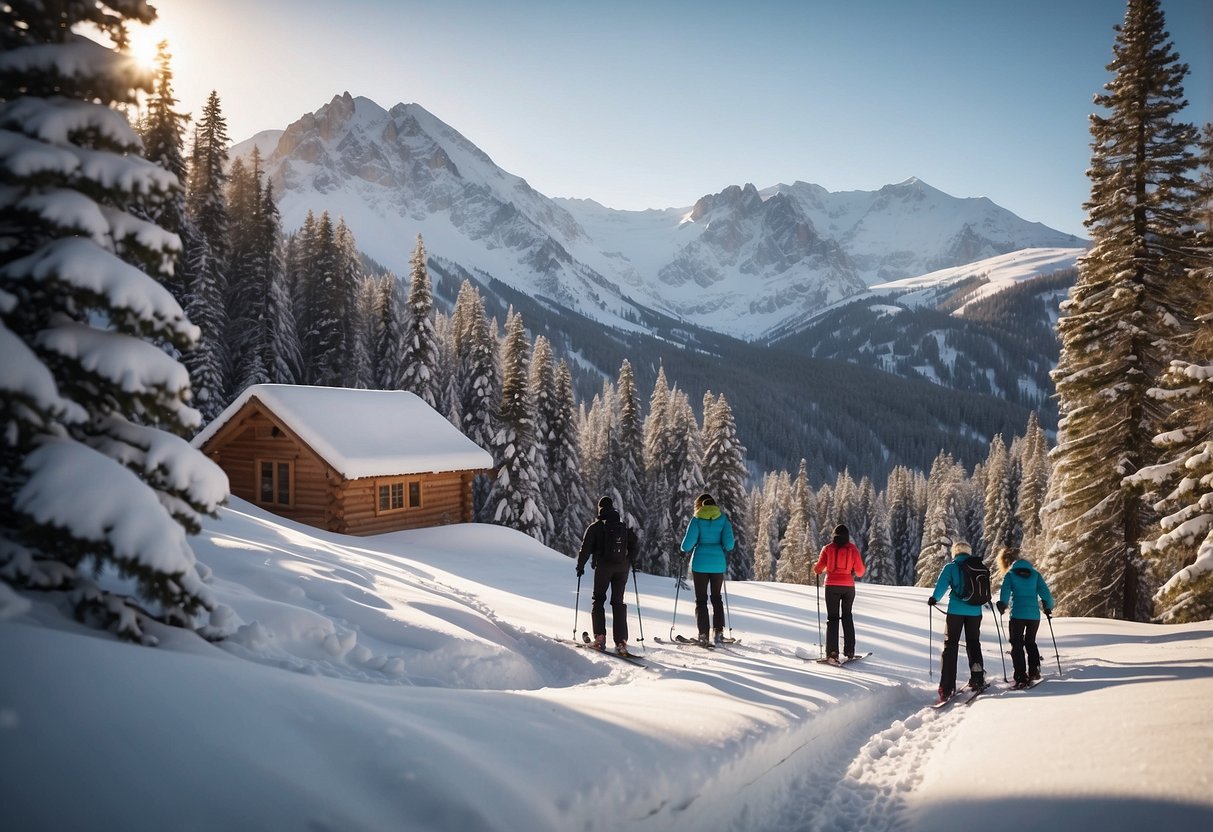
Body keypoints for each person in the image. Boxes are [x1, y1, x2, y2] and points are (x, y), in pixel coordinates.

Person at [576, 496, 639, 655]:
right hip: (622, 568)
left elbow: (585, 548)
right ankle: (621, 641)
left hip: (604, 568)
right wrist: (630, 561)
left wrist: (580, 566)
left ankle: (600, 638)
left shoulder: (596, 527)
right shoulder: (622, 526)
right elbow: (634, 545)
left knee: (598, 599)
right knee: (618, 602)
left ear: (600, 509)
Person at [927, 540, 986, 702]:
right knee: (973, 642)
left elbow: (941, 586)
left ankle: (946, 687)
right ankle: (977, 677)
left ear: (955, 552)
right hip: (975, 611)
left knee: (951, 645)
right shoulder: (978, 567)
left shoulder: (951, 567)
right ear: (969, 552)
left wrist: (934, 599)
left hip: (955, 612)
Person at [679, 493, 735, 645]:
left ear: (700, 505)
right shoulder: (723, 519)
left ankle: (703, 634)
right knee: (716, 598)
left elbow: (686, 546)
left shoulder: (696, 519)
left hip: (700, 564)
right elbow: (730, 545)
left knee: (701, 599)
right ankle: (718, 632)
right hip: (718, 564)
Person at [995, 547, 1055, 687]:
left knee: (1017, 644)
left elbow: (1005, 592)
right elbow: (1046, 594)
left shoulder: (1010, 575)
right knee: (1030, 642)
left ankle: (1021, 675)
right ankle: (1034, 670)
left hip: (1017, 615)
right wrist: (1048, 607)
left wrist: (1002, 604)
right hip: (1034, 616)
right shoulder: (1035, 575)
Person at [813, 524, 866, 662]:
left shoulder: (828, 548)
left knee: (833, 618)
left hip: (831, 586)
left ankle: (832, 653)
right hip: (848, 587)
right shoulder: (853, 549)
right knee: (847, 616)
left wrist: (817, 568)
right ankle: (849, 651)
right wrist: (851, 571)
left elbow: (818, 569)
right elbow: (860, 571)